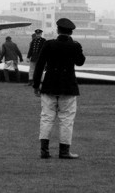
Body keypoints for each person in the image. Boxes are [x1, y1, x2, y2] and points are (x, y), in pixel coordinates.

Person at [33, 18, 86, 159]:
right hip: (68, 86)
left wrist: (36, 84)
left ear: (57, 30)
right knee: (67, 119)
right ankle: (64, 151)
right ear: (71, 31)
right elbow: (80, 62)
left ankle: (44, 151)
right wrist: (77, 47)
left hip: (49, 85)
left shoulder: (49, 44)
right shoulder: (74, 46)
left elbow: (39, 65)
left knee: (46, 118)